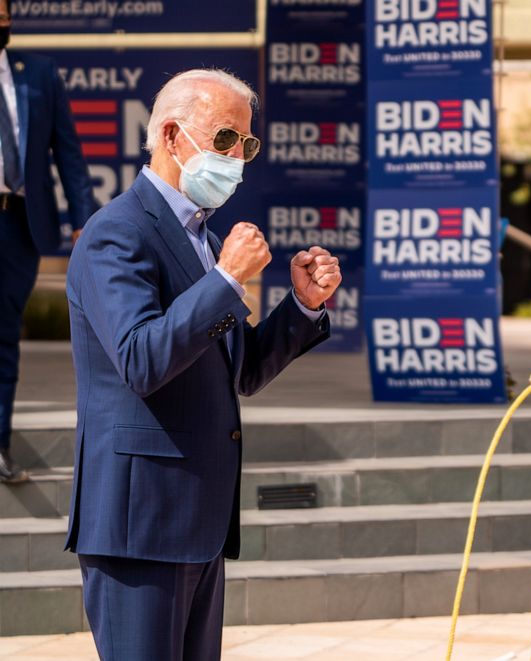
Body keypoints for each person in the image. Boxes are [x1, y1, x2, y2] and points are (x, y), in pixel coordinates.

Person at [64, 69, 339, 660]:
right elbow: (141, 359)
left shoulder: (203, 239)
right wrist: (224, 280)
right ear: (170, 135)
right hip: (140, 522)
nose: (238, 158)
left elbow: (238, 370)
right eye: (224, 140)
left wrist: (302, 308)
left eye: (246, 144)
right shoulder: (117, 232)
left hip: (198, 517)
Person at [0, 1, 96, 483]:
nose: (2, 20)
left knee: (2, 335)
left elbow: (69, 152)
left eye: (5, 12)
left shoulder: (37, 73)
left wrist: (85, 221)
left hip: (17, 224)